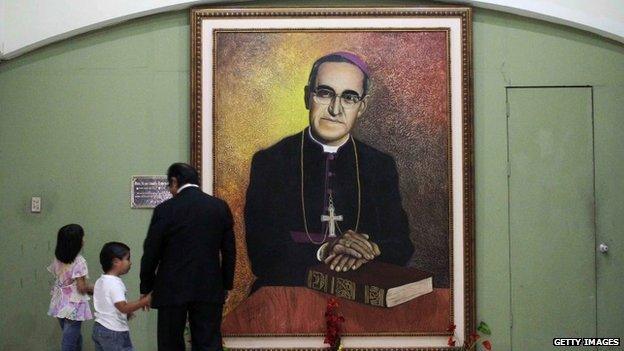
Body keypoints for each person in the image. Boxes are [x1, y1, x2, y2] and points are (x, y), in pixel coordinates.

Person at [245, 52, 414, 292]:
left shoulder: (379, 165)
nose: (335, 109)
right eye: (325, 93)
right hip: (287, 294)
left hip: (360, 296)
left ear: (361, 106)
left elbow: (402, 245)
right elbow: (261, 255)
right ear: (307, 97)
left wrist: (368, 249)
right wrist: (326, 250)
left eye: (349, 97)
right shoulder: (271, 162)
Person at [140, 163, 236, 351]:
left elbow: (151, 251)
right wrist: (226, 284)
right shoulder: (219, 207)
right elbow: (229, 250)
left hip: (171, 287)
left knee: (170, 342)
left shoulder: (165, 209)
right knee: (208, 341)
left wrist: (147, 286)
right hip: (209, 285)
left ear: (174, 181)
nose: (171, 190)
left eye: (170, 186)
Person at [92, 242, 150, 351]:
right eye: (128, 259)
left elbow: (108, 303)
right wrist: (145, 300)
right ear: (116, 262)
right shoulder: (115, 283)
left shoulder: (101, 280)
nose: (130, 263)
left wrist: (128, 313)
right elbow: (123, 307)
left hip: (99, 328)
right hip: (114, 332)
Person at [47, 223, 94, 351]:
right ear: (76, 242)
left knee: (75, 337)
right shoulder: (79, 261)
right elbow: (81, 287)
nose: (84, 239)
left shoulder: (58, 259)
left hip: (59, 303)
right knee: (69, 342)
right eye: (82, 237)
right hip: (73, 305)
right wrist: (97, 288)